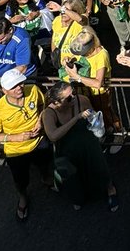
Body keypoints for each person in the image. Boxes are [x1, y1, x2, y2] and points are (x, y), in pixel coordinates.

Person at [41, 80, 119, 211]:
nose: (73, 97)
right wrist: (76, 118)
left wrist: (96, 123)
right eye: (68, 97)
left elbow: (93, 117)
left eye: (73, 93)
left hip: (88, 144)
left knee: (98, 168)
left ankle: (110, 189)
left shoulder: (81, 100)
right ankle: (78, 197)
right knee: (72, 176)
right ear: (56, 102)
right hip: (67, 149)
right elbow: (53, 135)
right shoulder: (49, 113)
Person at [0, 69, 52, 221]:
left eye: (20, 83)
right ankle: (23, 197)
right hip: (16, 151)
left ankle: (46, 178)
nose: (19, 88)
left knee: (45, 163)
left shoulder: (33, 90)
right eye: (13, 86)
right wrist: (16, 137)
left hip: (39, 142)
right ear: (4, 90)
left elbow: (43, 105)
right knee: (20, 179)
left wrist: (40, 121)